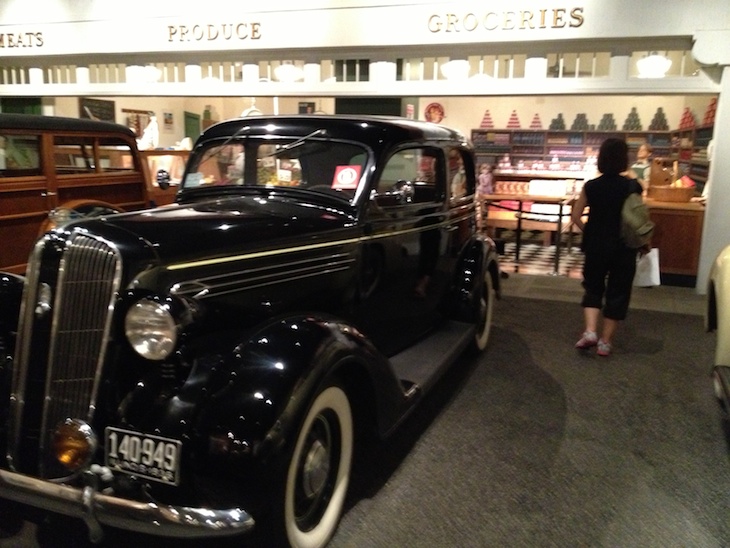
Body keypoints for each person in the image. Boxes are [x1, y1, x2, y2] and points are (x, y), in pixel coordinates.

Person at [570, 138, 645, 357]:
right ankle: (605, 342)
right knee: (618, 292)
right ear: (624, 159)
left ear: (601, 158)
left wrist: (591, 233)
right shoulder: (633, 187)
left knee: (593, 287)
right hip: (624, 247)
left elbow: (575, 216)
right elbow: (639, 218)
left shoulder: (591, 186)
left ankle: (590, 332)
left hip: (596, 246)